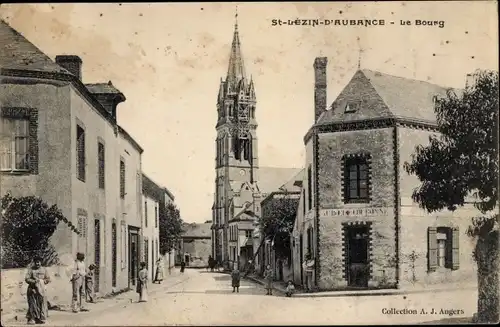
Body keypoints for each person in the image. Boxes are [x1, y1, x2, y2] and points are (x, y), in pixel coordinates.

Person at [25, 256, 51, 325]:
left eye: (38, 262)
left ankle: (40, 318)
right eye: (36, 262)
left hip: (41, 290)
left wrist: (43, 282)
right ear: (34, 262)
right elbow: (27, 279)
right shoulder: (31, 270)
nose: (37, 264)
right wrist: (34, 281)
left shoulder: (44, 270)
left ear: (41, 262)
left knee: (41, 304)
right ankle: (32, 319)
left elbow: (48, 279)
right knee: (33, 304)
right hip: (33, 289)